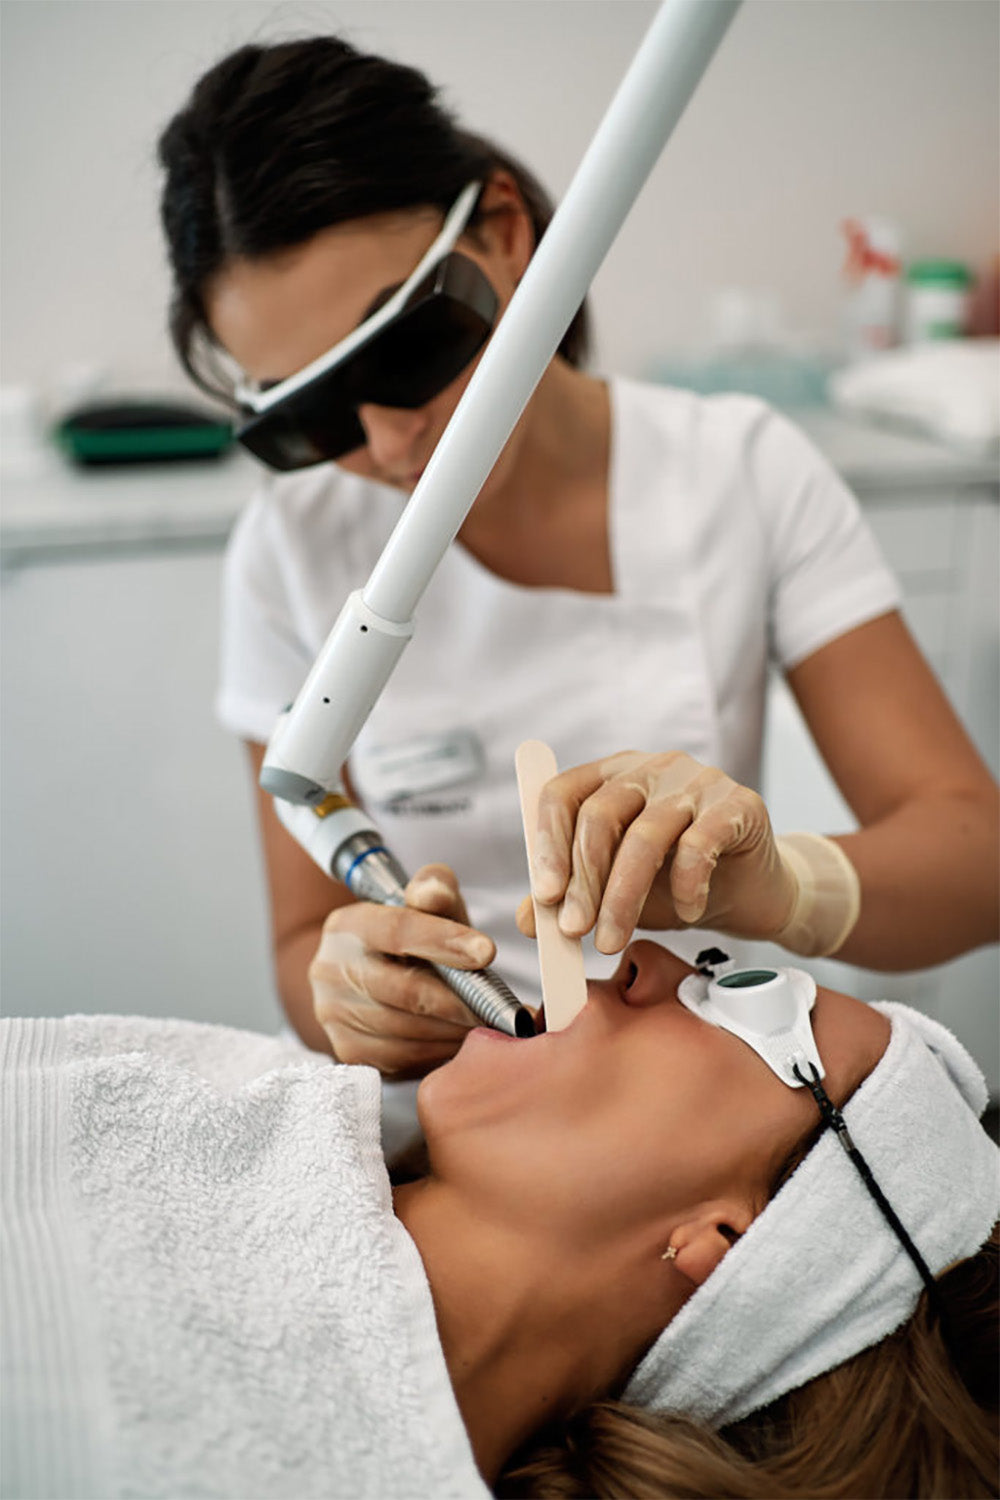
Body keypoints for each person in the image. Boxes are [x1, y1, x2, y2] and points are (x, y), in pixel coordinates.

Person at [156, 37, 999, 1073]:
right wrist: (350, 997)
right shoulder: (289, 548)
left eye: (406, 349)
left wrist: (777, 886)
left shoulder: (738, 471)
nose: (385, 444)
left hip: (695, 1074)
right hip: (463, 1094)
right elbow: (303, 942)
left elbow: (975, 858)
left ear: (505, 234)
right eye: (307, 416)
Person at [2, 943, 997, 1497]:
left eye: (748, 1010)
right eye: (716, 962)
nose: (642, 961)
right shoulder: (250, 1102)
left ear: (728, 1248)